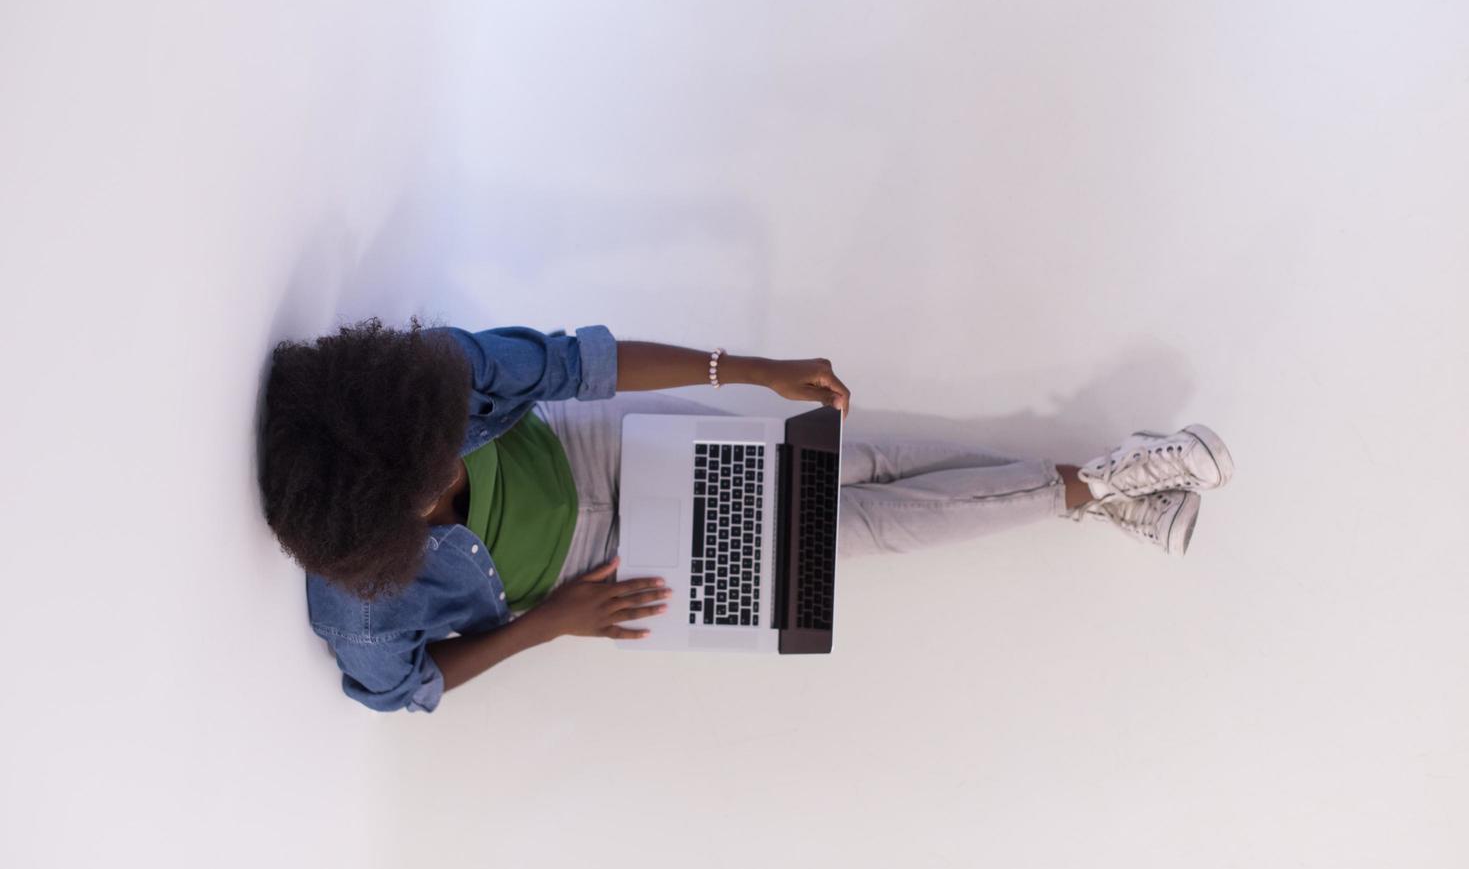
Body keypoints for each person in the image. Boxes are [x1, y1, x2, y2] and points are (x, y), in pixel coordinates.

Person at [259, 317, 1235, 713]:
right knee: (859, 531)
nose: (452, 455)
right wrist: (548, 624)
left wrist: (749, 370)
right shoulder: (353, 606)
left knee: (856, 464)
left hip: (606, 453)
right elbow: (404, 688)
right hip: (600, 570)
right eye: (433, 480)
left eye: (447, 437)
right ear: (382, 523)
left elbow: (577, 363)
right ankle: (1101, 487)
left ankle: (1100, 487)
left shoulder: (431, 384)